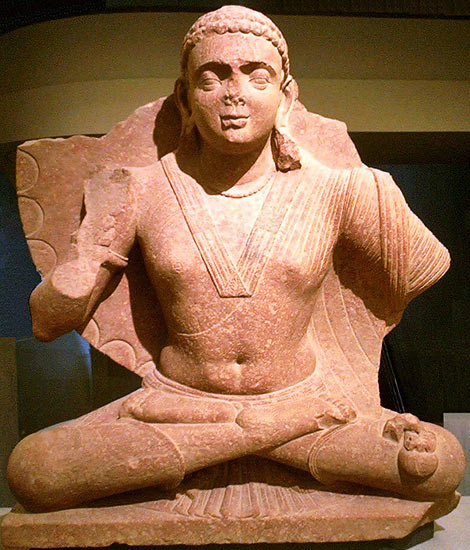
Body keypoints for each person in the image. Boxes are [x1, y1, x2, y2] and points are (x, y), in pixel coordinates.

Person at [7, 6, 465, 512]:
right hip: (178, 409)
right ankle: (262, 440)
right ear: (185, 97)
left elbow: (424, 266)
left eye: (256, 76)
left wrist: (374, 193)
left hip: (302, 398)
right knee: (35, 469)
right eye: (212, 77)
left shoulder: (335, 191)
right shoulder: (140, 189)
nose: (234, 93)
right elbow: (49, 322)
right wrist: (91, 250)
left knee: (438, 463)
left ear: (285, 97)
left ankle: (238, 444)